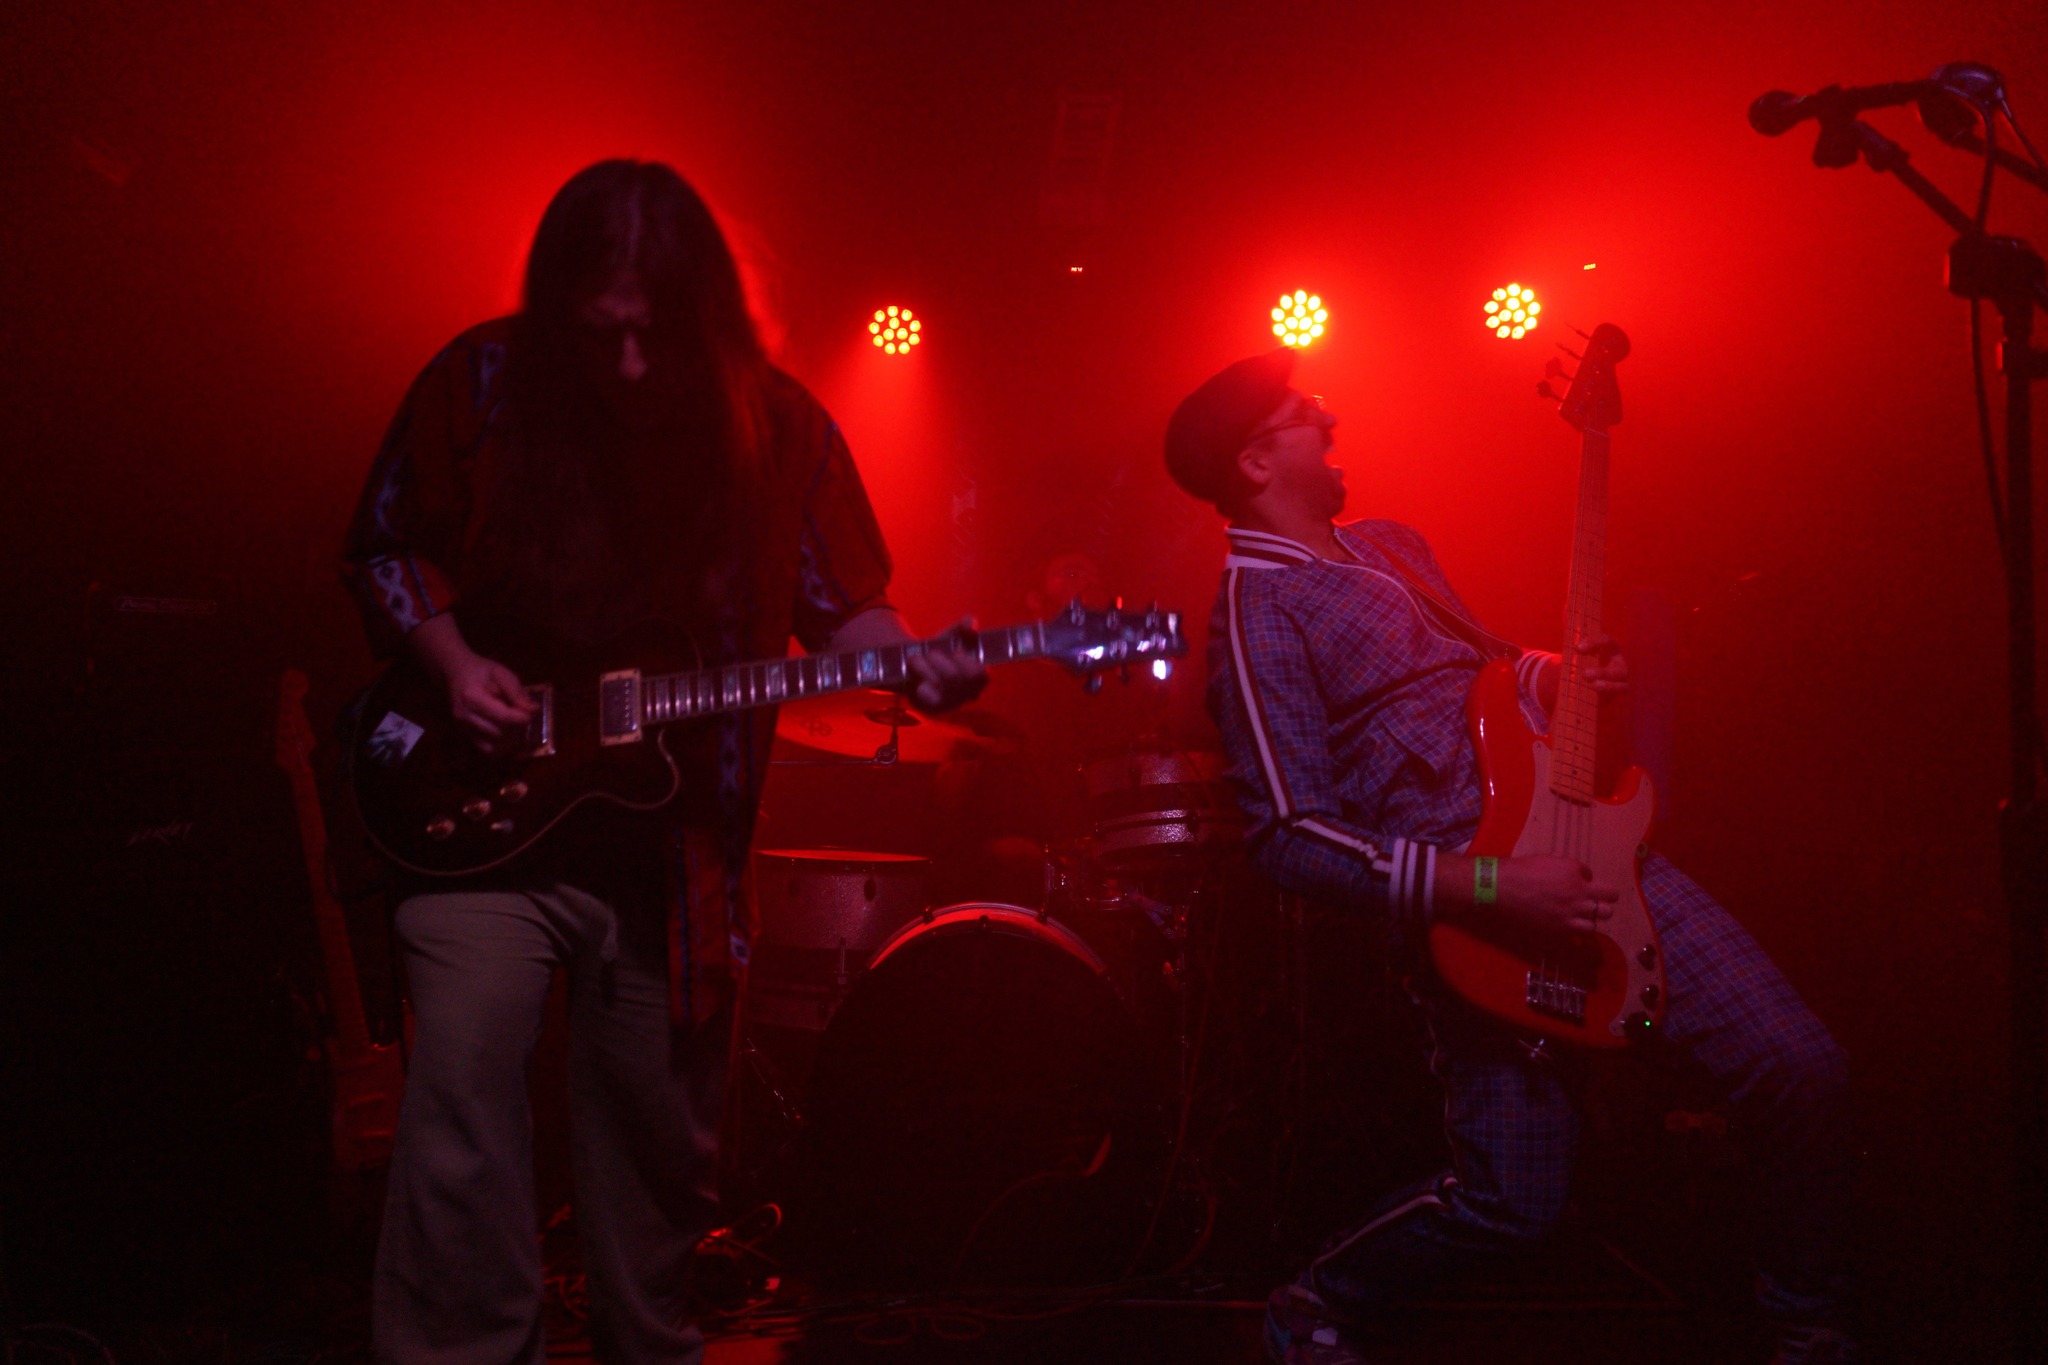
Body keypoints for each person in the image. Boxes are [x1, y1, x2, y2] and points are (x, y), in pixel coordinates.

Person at [341, 160, 984, 1365]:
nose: (631, 365)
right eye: (602, 335)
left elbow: (846, 606)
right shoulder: (481, 382)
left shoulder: (782, 429)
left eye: (656, 334)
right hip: (471, 810)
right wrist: (453, 665)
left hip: (675, 858)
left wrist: (913, 662)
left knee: (658, 1166)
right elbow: (382, 545)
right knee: (461, 1100)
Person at [1163, 351, 1854, 1365]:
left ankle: (1806, 1321)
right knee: (1512, 1201)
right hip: (1481, 922)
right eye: (1304, 413)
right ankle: (1316, 1299)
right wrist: (1493, 886)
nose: (1329, 415)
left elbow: (1483, 671)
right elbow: (1286, 834)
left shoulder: (1391, 545)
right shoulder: (1256, 615)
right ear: (1256, 462)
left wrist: (1554, 674)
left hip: (1592, 860)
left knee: (1797, 1066)